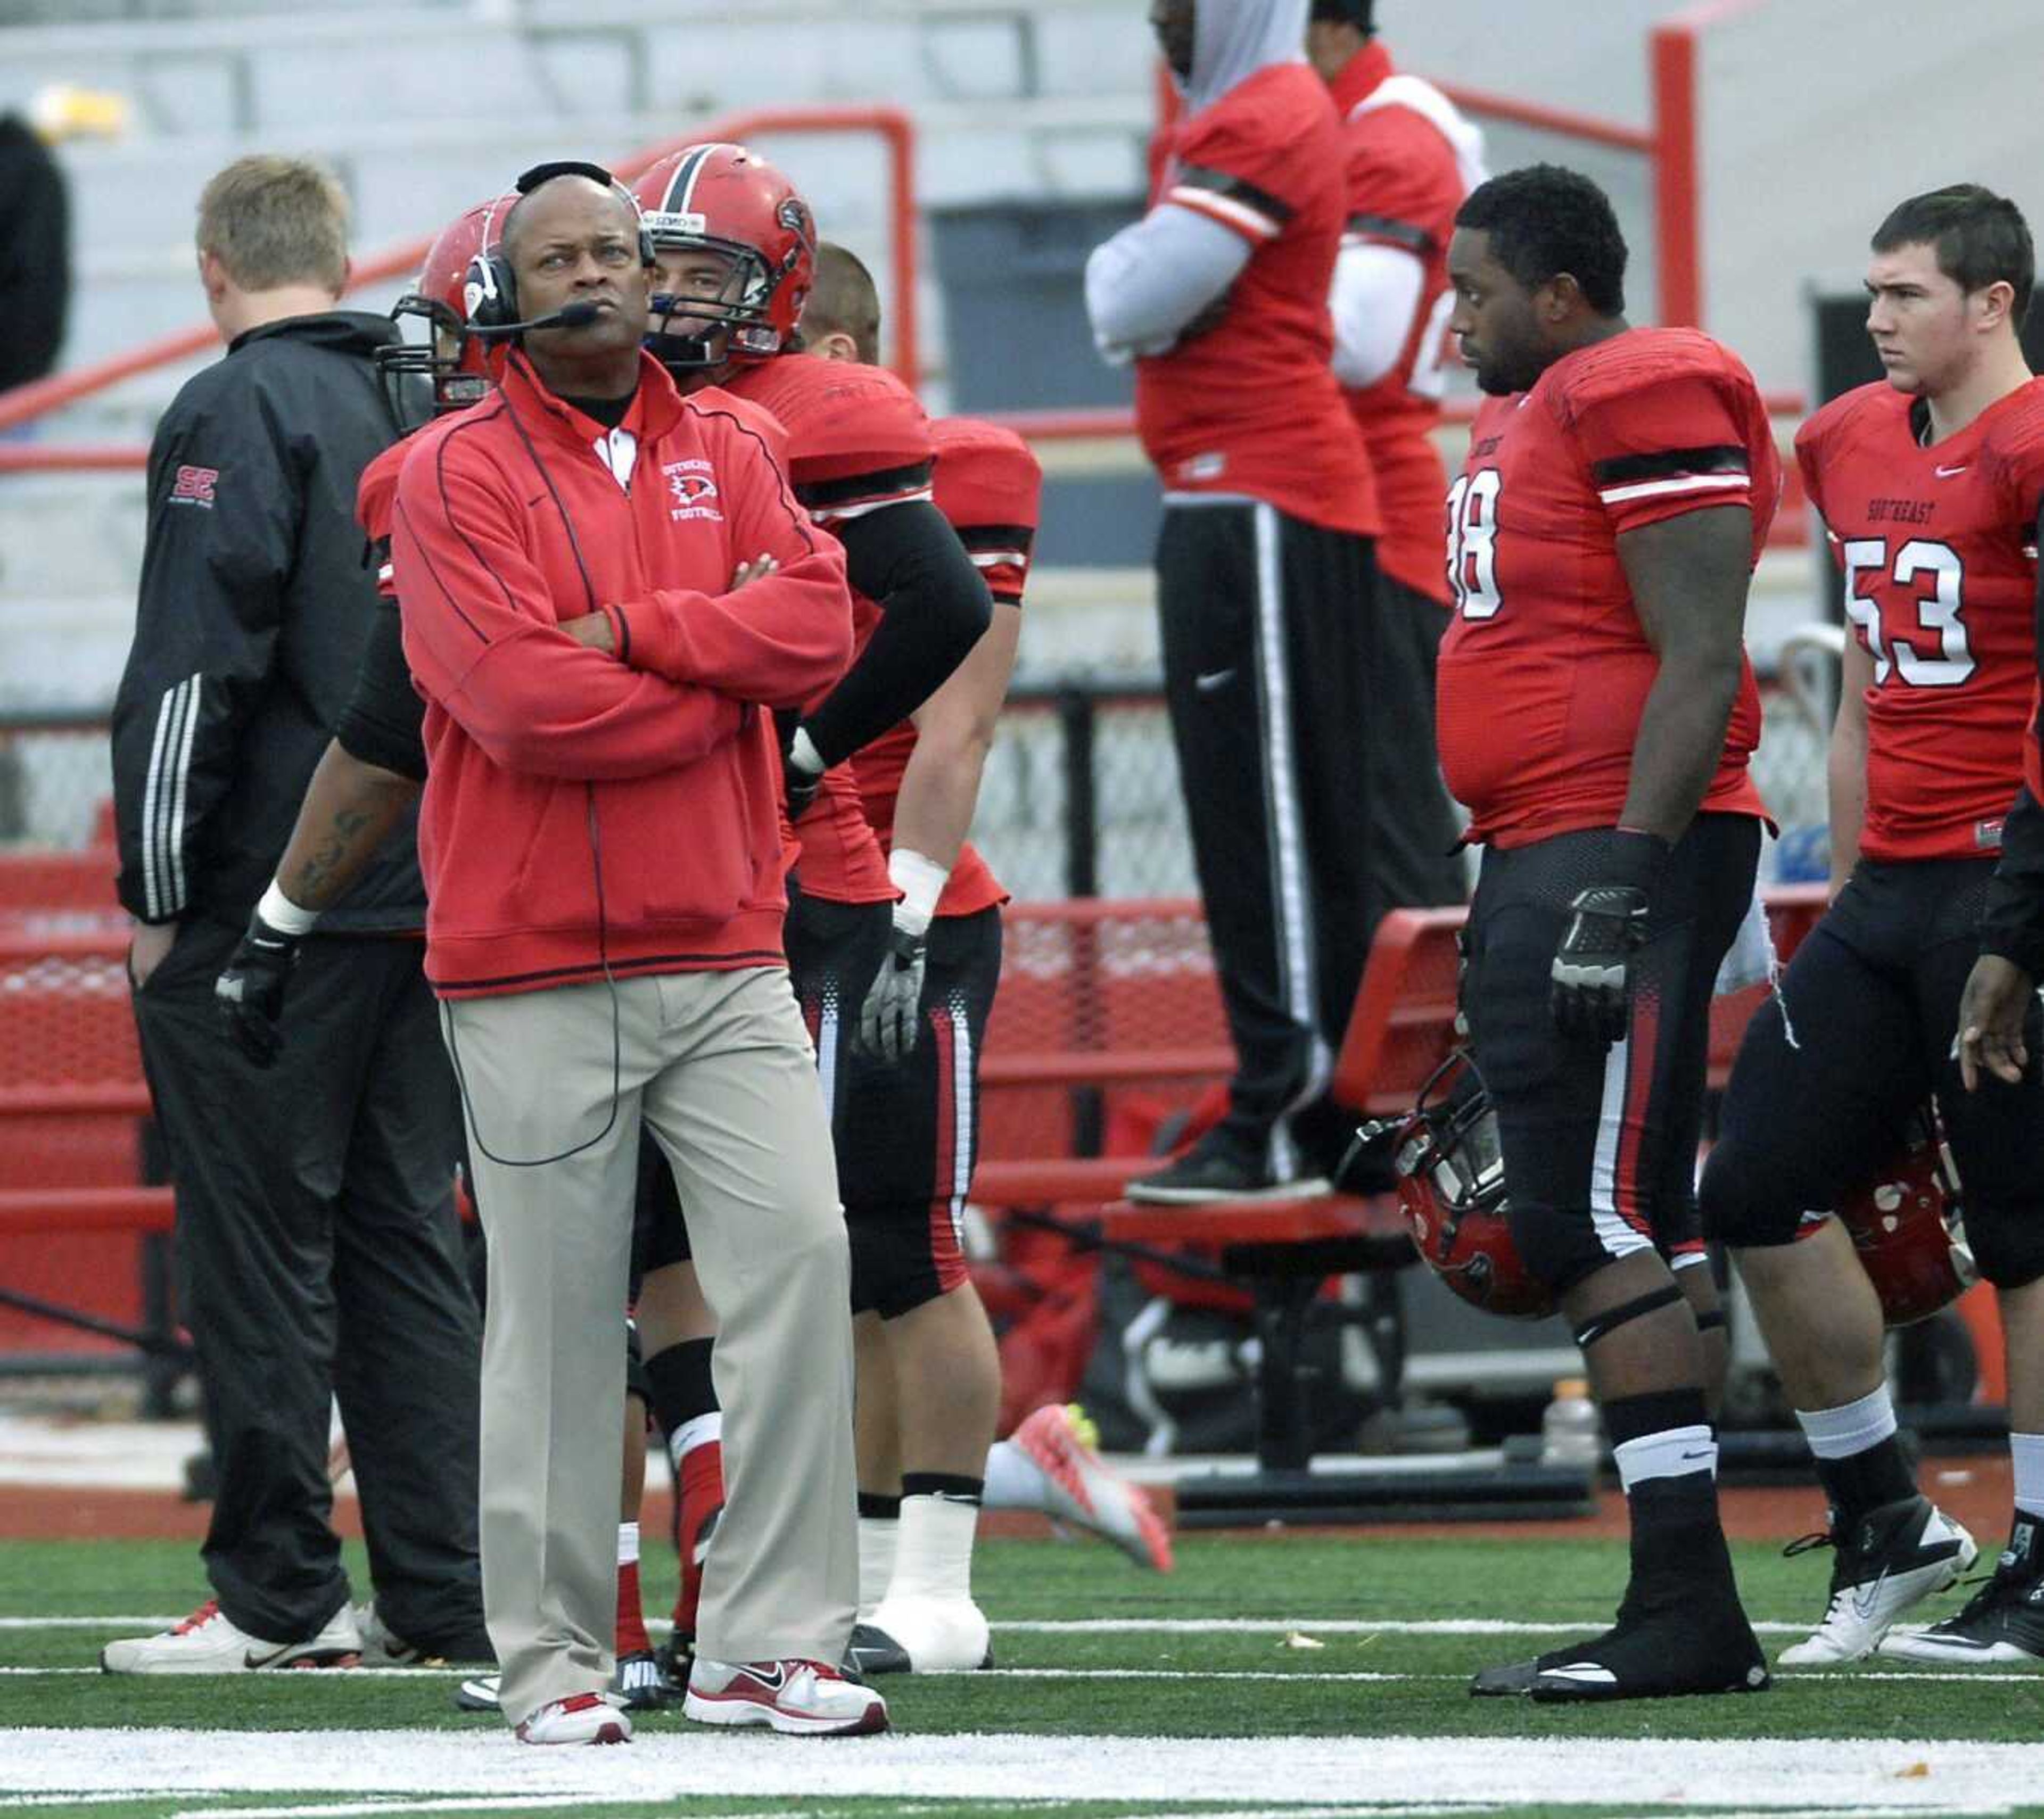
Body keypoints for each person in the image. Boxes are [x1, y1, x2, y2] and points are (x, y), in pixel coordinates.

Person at [388, 160, 883, 1743]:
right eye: (563, 253)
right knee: (549, 1319)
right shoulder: (447, 473)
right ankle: (550, 1661)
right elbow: (525, 709)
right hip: (527, 960)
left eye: (616, 246)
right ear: (504, 292)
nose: (600, 273)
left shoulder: (738, 437)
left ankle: (768, 1641)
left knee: (803, 1265)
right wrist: (712, 657)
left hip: (725, 943)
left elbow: (818, 635)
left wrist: (638, 634)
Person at [103, 155, 488, 1678]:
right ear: (337, 254)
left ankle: (279, 1598)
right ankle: (443, 1591)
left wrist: (156, 887)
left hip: (276, 900)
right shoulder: (427, 394)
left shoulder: (230, 407)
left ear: (213, 267)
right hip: (428, 886)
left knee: (260, 1249)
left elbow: (199, 664)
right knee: (408, 1243)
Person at [626, 146, 998, 1674]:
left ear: (778, 282)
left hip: (802, 886)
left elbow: (948, 610)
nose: (666, 301)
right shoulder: (611, 417)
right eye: (650, 267)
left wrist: (796, 746)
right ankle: (710, 1581)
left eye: (701, 272)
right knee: (652, 1262)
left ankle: (851, 1579)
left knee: (822, 1244)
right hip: (659, 882)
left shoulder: (825, 417)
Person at [797, 245, 1177, 1674]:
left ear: (836, 336)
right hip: (763, 900)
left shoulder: (942, 468)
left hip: (903, 899)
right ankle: (856, 1569)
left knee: (911, 1242)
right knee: (819, 1263)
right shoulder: (709, 455)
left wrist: (900, 902)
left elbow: (954, 722)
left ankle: (940, 1590)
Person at [1438, 164, 1774, 1702]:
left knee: (1592, 1218)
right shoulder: (1544, 401)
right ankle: (1704, 1586)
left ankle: (1687, 1607)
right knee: (1629, 1205)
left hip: (1610, 842)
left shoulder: (1641, 383)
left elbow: (1705, 648)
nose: (1457, 322)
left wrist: (1622, 876)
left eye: (1479, 292)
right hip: (1546, 837)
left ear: (1562, 293)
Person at [1702, 184, 2044, 1669]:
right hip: (1891, 882)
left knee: (2029, 1231)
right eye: (1873, 291)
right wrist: (1848, 877)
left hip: (2009, 873)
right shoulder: (1845, 438)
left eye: (1908, 292)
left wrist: (2020, 925)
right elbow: (1861, 681)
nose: (1880, 316)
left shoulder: (2034, 442)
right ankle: (1887, 1514)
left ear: (1994, 301)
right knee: (1756, 1181)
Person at [1086, 0, 1383, 1205]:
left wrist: (1146, 267)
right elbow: (1141, 287)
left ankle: (1293, 1109)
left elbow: (1121, 301)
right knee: (1257, 817)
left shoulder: (1261, 113)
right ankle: (1298, 1097)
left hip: (1259, 498)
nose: (1162, 17)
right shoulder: (1235, 114)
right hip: (1238, 500)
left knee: (1268, 820)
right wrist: (1146, 269)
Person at [1307, 0, 1478, 910]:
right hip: (1361, 502)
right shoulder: (1374, 128)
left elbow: (1363, 342)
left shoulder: (1390, 142)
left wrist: (1235, 303)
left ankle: (1433, 1049)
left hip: (1375, 513)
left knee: (1393, 817)